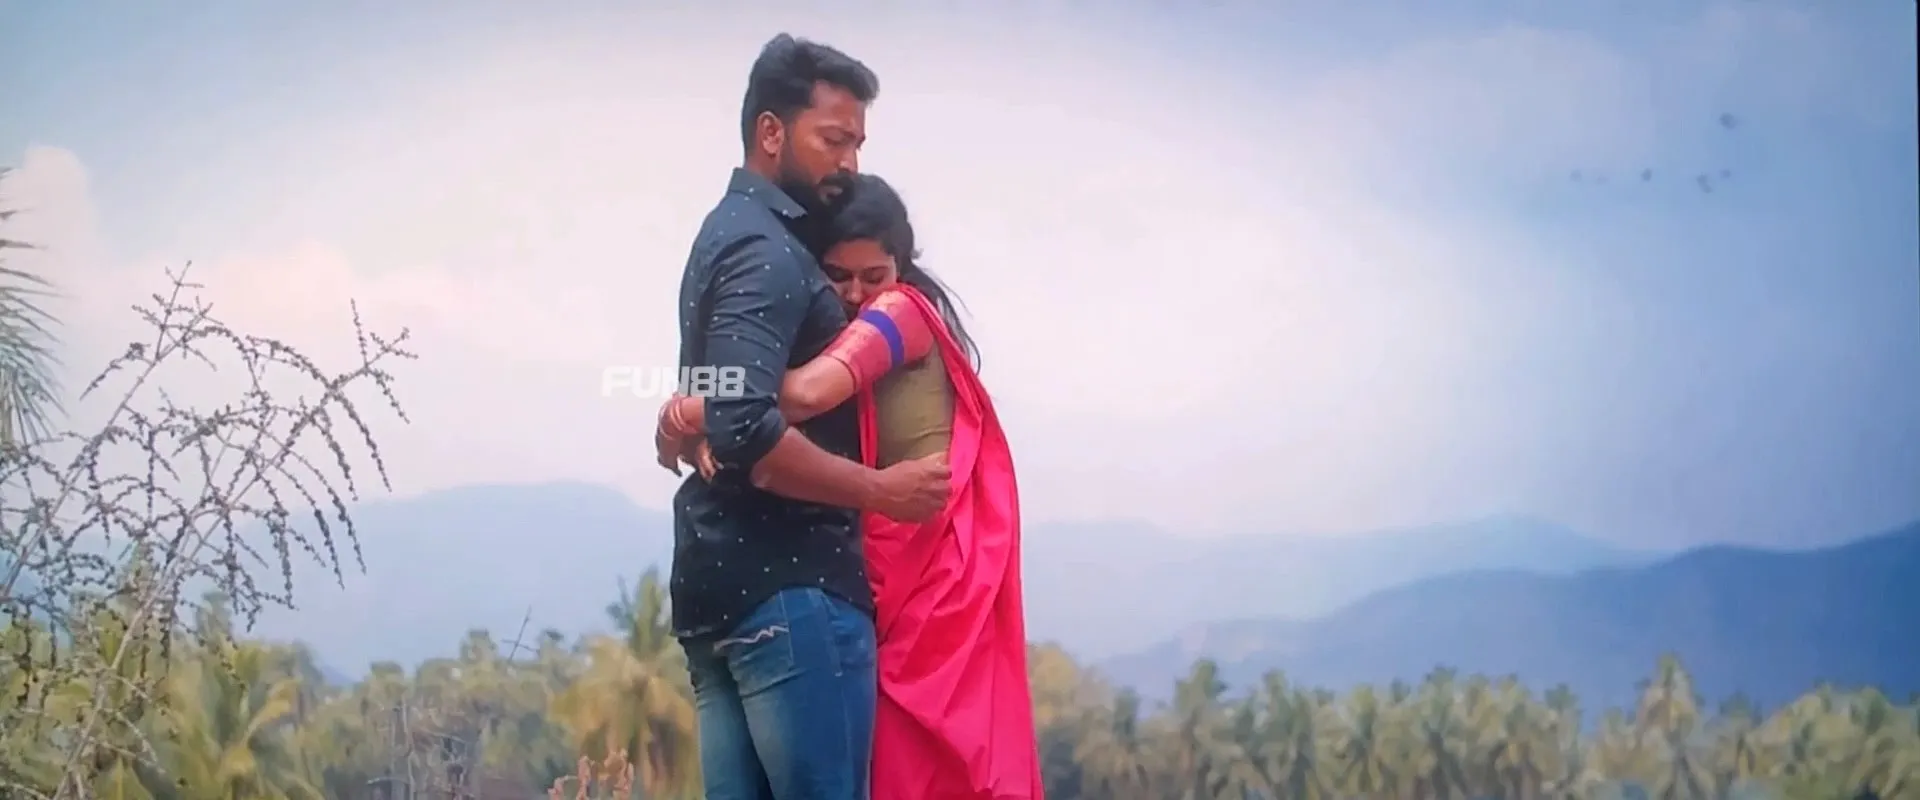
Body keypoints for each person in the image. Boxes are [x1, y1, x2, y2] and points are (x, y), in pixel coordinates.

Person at [658, 174, 1043, 799]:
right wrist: (712, 414)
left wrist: (694, 408)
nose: (857, 293)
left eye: (874, 275)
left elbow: (806, 394)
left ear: (902, 267)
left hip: (926, 580)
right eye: (838, 276)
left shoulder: (900, 312)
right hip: (884, 570)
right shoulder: (845, 322)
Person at [664, 34, 953, 800]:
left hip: (719, 595)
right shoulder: (767, 252)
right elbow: (746, 427)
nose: (849, 163)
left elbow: (722, 403)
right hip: (793, 594)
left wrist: (689, 415)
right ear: (771, 132)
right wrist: (879, 490)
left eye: (857, 145)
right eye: (834, 140)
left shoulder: (726, 234)